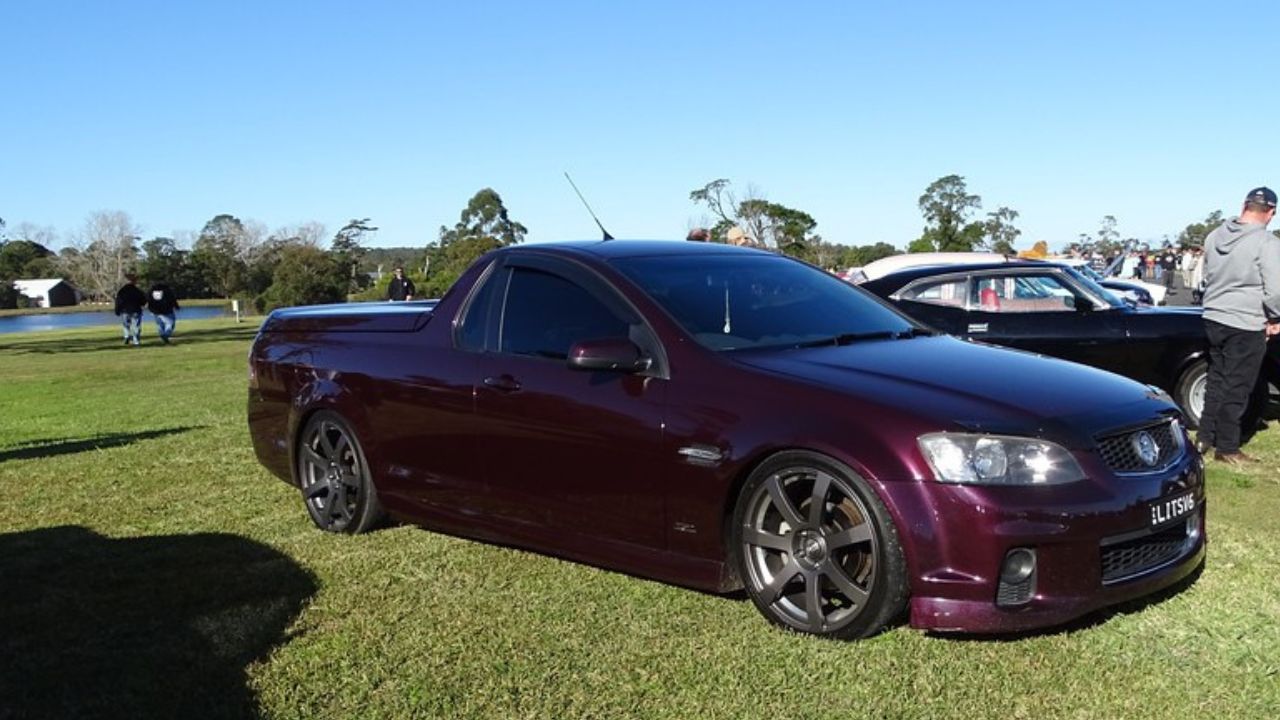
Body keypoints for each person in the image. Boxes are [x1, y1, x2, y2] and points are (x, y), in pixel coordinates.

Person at [1197, 187, 1280, 466]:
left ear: (1244, 206)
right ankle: (1228, 446)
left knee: (1217, 379)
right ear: (1270, 213)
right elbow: (1276, 289)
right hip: (1245, 320)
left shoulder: (1214, 235)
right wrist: (1275, 317)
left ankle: (1204, 436)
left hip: (1214, 316)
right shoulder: (1266, 242)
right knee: (1238, 385)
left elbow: (1207, 275)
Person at [114, 273, 147, 346]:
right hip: (136, 310)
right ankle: (136, 341)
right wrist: (142, 304)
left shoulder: (122, 291)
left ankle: (126, 336)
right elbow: (143, 301)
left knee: (126, 325)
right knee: (136, 326)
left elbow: (118, 301)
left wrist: (117, 310)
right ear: (134, 281)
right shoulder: (137, 291)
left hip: (125, 311)